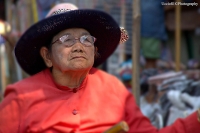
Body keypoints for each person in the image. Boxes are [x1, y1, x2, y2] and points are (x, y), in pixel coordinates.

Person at [0, 3, 199, 133]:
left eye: (86, 39)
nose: (78, 46)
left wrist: (196, 121)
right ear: (47, 56)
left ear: (94, 52)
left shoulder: (114, 88)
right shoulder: (20, 97)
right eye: (66, 39)